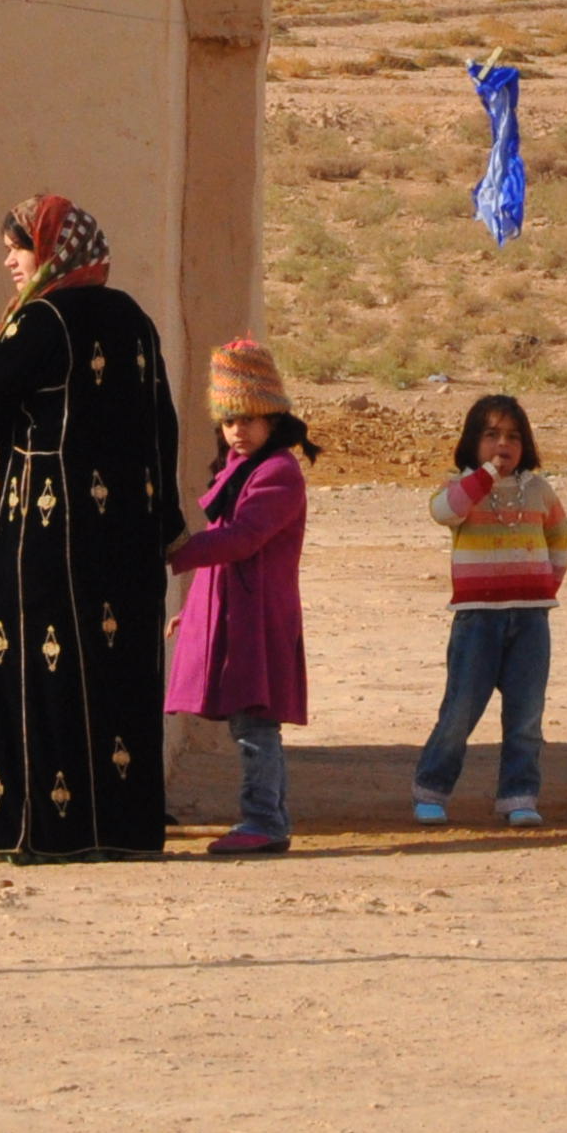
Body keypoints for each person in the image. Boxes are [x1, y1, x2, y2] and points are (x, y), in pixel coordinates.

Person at [0, 193, 184, 860]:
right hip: (125, 539)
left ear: (52, 251)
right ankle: (122, 828)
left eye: (18, 248)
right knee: (116, 671)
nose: (8, 261)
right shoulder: (134, 320)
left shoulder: (44, 319)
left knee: (39, 666)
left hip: (50, 536)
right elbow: (160, 427)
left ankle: (46, 830)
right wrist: (164, 522)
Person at [166, 339, 317, 859]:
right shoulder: (236, 468)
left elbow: (241, 539)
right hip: (233, 614)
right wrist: (191, 611)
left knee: (255, 724)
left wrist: (170, 555)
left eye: (250, 419)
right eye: (231, 420)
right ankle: (267, 817)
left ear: (273, 418)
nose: (239, 429)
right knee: (248, 723)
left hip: (257, 619)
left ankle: (264, 820)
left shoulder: (278, 473)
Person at [414, 391, 567, 829]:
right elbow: (444, 512)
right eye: (492, 434)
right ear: (472, 441)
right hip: (478, 619)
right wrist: (482, 477)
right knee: (461, 710)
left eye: (513, 436)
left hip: (531, 620)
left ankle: (519, 796)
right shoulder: (460, 488)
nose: (504, 444)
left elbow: (560, 538)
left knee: (526, 715)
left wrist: (543, 587)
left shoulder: (538, 490)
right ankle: (431, 791)